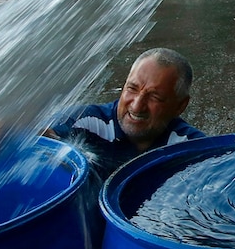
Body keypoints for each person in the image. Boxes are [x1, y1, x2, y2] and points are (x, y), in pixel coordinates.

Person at [47, 46, 205, 181]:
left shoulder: (190, 146)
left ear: (180, 106)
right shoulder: (84, 121)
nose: (137, 106)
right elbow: (42, 137)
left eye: (154, 97)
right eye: (132, 88)